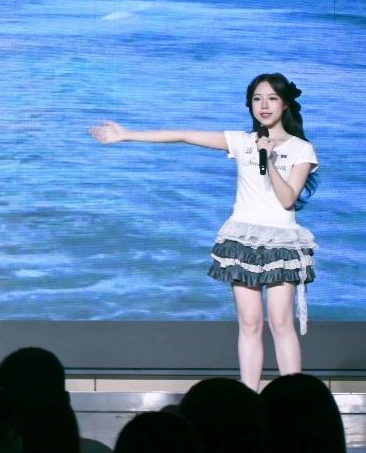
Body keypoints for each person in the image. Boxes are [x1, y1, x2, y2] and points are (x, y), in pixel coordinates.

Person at [90, 73, 319, 389]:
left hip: (281, 241)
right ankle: (248, 397)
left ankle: (294, 399)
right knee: (249, 323)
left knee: (281, 323)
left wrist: (268, 158)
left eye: (272, 98)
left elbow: (287, 198)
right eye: (257, 99)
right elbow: (183, 135)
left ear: (285, 104)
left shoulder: (301, 149)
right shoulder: (241, 141)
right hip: (242, 240)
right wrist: (127, 135)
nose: (264, 106)